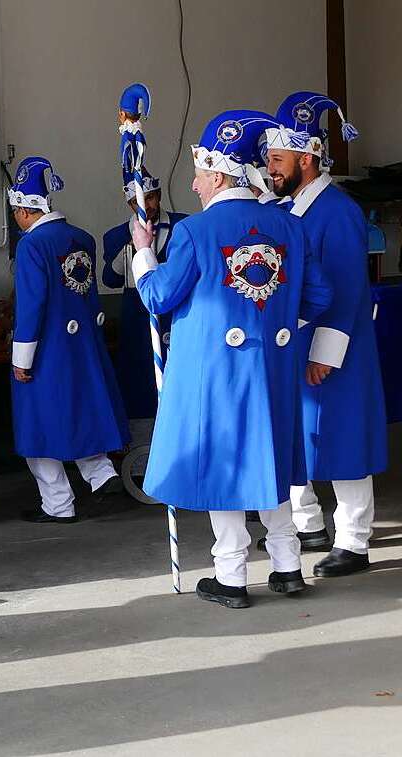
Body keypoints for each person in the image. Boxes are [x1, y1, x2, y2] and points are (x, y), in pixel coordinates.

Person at [131, 110, 332, 609]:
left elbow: (159, 298)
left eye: (199, 175)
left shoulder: (196, 232)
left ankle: (232, 575)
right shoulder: (289, 225)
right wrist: (276, 324)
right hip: (275, 370)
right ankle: (288, 568)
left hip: (215, 375)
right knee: (273, 459)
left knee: (224, 465)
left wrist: (142, 253)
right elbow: (319, 297)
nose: (195, 186)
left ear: (217, 173)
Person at [263, 91, 387, 576]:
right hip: (297, 347)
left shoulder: (337, 212)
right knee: (301, 437)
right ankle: (308, 524)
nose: (270, 168)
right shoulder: (292, 209)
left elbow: (349, 290)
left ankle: (354, 540)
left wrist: (326, 352)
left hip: (337, 348)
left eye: (277, 159)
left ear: (306, 158)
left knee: (343, 440)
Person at [9, 156, 129, 523]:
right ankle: (102, 474)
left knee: (37, 427)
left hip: (46, 349)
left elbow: (32, 305)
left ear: (24, 210)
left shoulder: (32, 246)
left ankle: (58, 503)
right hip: (83, 344)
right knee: (80, 412)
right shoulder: (80, 237)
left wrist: (21, 357)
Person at [102, 168, 187, 420]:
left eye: (150, 197)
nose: (145, 205)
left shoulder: (184, 225)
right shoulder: (116, 236)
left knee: (177, 374)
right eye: (137, 200)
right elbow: (110, 279)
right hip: (136, 317)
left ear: (159, 195)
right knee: (138, 375)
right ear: (129, 202)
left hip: (176, 314)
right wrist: (134, 249)